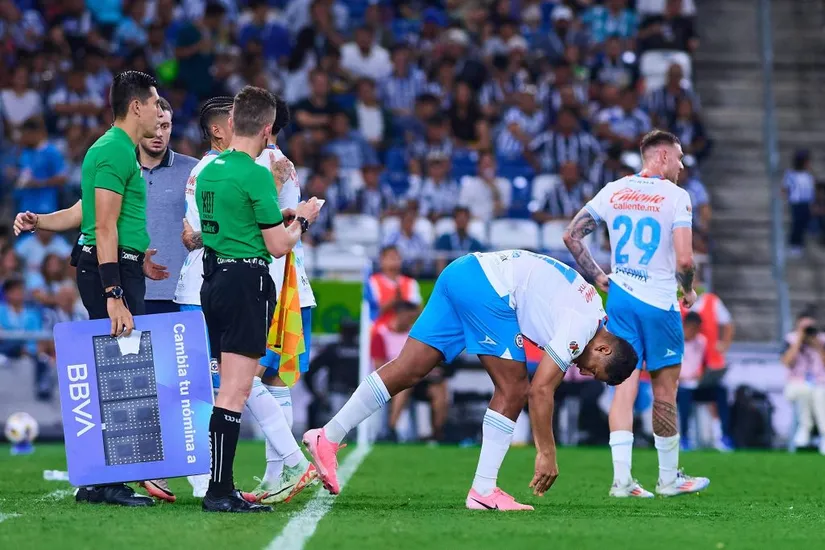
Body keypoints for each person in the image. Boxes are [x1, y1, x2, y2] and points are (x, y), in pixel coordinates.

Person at [303, 249, 638, 511]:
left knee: (408, 369)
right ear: (604, 348)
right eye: (594, 369)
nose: (584, 372)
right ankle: (483, 489)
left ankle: (327, 436)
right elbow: (540, 391)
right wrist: (546, 453)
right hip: (488, 287)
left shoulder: (592, 312)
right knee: (515, 387)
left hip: (464, 272)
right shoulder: (582, 325)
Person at [563, 129, 710, 498]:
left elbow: (571, 235)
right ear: (661, 156)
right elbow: (686, 258)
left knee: (623, 390)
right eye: (678, 157)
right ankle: (667, 478)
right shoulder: (676, 197)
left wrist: (598, 276)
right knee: (665, 390)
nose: (680, 165)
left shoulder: (614, 189)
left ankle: (622, 481)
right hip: (659, 304)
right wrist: (689, 290)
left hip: (622, 299)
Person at [196, 86, 320, 513]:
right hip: (246, 280)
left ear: (232, 123)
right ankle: (221, 491)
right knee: (237, 390)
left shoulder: (210, 168)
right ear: (268, 129)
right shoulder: (256, 174)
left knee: (227, 391)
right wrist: (302, 217)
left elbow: (217, 226)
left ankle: (220, 486)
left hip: (211, 280)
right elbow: (278, 246)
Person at [77, 70, 162, 507]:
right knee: (120, 375)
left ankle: (96, 481)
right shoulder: (114, 150)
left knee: (117, 373)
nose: (159, 110)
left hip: (117, 267)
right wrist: (115, 295)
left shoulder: (113, 150)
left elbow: (86, 211)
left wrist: (41, 220)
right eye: (155, 102)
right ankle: (105, 483)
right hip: (110, 273)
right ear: (136, 107)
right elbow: (104, 226)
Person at [249, 95, 318, 505]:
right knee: (274, 381)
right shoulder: (279, 162)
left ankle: (289, 466)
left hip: (271, 286)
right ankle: (277, 477)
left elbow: (266, 221)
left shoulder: (269, 164)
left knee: (245, 379)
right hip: (290, 286)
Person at [140, 97, 198, 315]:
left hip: (183, 294)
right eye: (153, 127)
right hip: (131, 292)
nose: (159, 134)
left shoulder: (194, 170)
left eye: (164, 126)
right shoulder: (119, 170)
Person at [781, 310, 825, 454]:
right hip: (795, 384)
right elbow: (786, 362)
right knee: (807, 391)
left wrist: (819, 348)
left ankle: (810, 431)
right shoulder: (791, 339)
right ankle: (806, 428)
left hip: (819, 384)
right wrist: (799, 339)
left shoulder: (821, 341)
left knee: (818, 394)